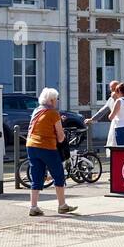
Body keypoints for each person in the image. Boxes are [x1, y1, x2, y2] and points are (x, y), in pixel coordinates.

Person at [26, 88, 77, 217]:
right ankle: (62, 205)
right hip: (46, 146)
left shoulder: (36, 111)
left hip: (31, 145)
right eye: (57, 99)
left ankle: (33, 206)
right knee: (58, 174)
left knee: (36, 175)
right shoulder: (53, 113)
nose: (58, 101)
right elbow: (60, 136)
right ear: (52, 100)